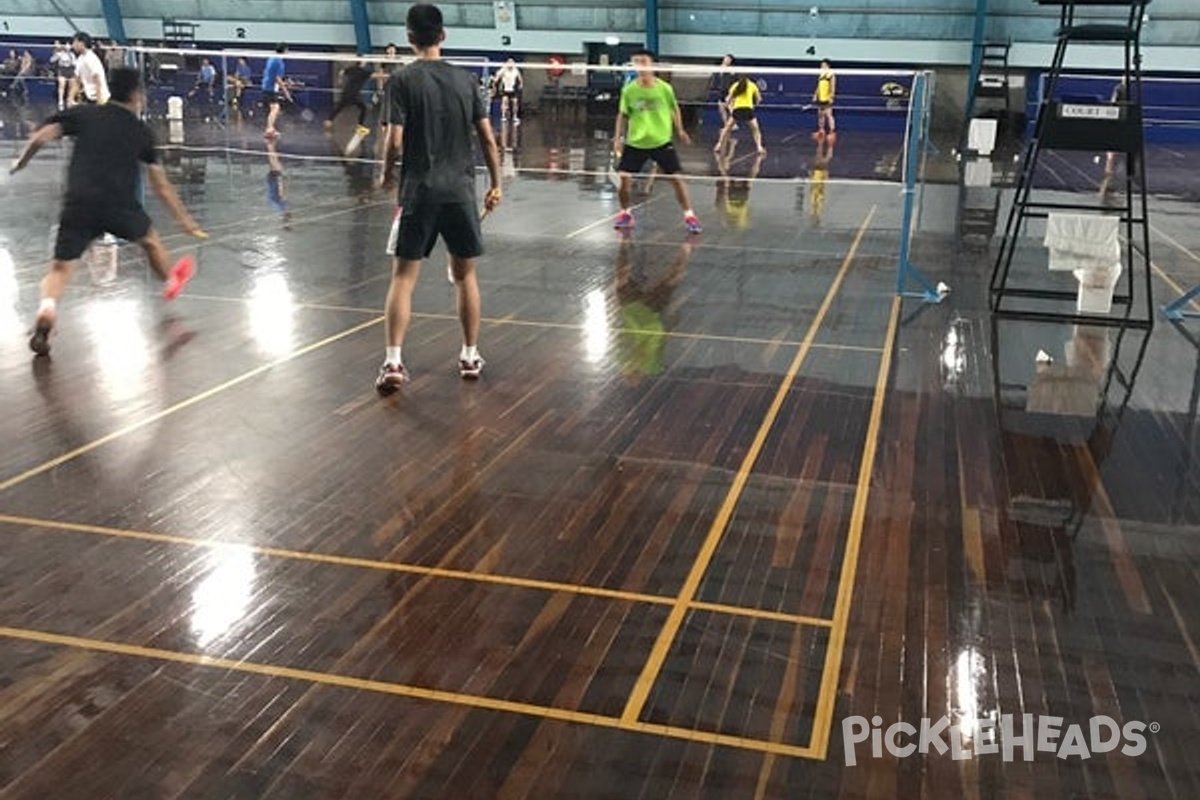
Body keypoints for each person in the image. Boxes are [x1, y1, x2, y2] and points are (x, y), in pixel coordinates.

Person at [8, 67, 206, 357]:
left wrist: (21, 163)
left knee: (60, 269)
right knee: (150, 241)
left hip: (79, 201)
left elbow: (40, 138)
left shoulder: (84, 114)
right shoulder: (140, 131)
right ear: (136, 95)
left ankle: (47, 309)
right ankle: (170, 279)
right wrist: (185, 220)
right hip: (119, 204)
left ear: (110, 89)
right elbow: (161, 185)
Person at [375, 4, 502, 394]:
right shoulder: (466, 81)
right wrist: (496, 183)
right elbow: (487, 138)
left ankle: (394, 362)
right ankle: (469, 356)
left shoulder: (401, 81)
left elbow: (394, 140)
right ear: (442, 36)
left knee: (403, 278)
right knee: (465, 276)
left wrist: (385, 173)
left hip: (419, 192)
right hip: (460, 192)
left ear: (410, 38)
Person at [612, 50, 701, 234]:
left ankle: (690, 216)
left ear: (652, 65)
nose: (639, 65)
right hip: (635, 143)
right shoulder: (629, 90)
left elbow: (674, 108)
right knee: (625, 180)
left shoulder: (664, 89)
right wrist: (618, 138)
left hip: (661, 142)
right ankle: (625, 213)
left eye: (643, 61)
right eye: (636, 62)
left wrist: (680, 129)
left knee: (677, 179)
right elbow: (622, 115)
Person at [326, 59, 373, 154]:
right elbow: (376, 76)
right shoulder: (363, 72)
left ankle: (329, 121)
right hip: (353, 94)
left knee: (341, 107)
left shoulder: (351, 69)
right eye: (364, 62)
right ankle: (360, 126)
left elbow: (341, 72)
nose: (365, 63)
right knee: (363, 108)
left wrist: (340, 81)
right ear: (362, 63)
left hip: (347, 92)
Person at [713, 74, 766, 156]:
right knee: (755, 130)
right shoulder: (752, 85)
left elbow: (727, 99)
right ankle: (759, 147)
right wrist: (754, 104)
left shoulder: (735, 85)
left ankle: (719, 145)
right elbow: (759, 99)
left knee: (726, 129)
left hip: (737, 110)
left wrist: (728, 105)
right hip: (748, 110)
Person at [262, 43, 290, 140]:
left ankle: (270, 129)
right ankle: (269, 129)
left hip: (266, 86)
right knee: (275, 108)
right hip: (270, 87)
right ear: (285, 50)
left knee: (273, 108)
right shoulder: (279, 62)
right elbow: (277, 78)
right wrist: (286, 91)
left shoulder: (271, 58)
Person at [72, 32, 109, 105]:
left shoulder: (90, 58)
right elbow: (77, 80)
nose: (73, 45)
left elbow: (98, 80)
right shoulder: (80, 59)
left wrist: (100, 101)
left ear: (81, 43)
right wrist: (71, 98)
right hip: (89, 97)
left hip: (100, 98)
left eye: (74, 42)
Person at [709, 54, 735, 128]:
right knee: (721, 108)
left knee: (731, 108)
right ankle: (726, 124)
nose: (727, 60)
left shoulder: (731, 70)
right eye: (726, 58)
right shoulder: (718, 69)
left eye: (729, 60)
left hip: (728, 92)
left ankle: (733, 123)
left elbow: (732, 81)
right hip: (721, 91)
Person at [813, 59, 836, 139]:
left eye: (823, 65)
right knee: (820, 115)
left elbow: (833, 86)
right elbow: (818, 86)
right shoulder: (821, 75)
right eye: (821, 66)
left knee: (829, 115)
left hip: (827, 98)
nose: (822, 67)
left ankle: (832, 132)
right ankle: (821, 131)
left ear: (827, 66)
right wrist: (815, 95)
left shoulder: (831, 74)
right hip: (820, 98)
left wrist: (831, 97)